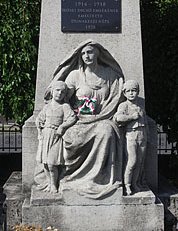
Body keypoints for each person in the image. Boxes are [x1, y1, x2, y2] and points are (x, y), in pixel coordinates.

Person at [44, 40, 125, 199]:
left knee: (107, 130)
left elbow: (119, 93)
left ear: (98, 53)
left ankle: (99, 179)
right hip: (78, 121)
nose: (87, 56)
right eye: (83, 53)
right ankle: (73, 177)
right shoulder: (75, 75)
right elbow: (62, 96)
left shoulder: (109, 74)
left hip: (103, 118)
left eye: (90, 52)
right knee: (72, 137)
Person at [35, 81, 76, 193]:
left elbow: (72, 118)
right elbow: (39, 119)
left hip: (56, 136)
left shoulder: (65, 106)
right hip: (46, 135)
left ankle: (54, 185)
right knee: (45, 163)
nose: (60, 93)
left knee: (52, 163)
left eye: (63, 92)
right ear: (52, 92)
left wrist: (62, 127)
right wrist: (39, 128)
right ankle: (49, 183)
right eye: (57, 90)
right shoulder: (47, 107)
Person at [113, 80, 148, 195]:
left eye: (134, 91)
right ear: (124, 93)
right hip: (131, 135)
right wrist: (132, 117)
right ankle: (127, 185)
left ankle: (135, 183)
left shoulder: (140, 105)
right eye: (128, 91)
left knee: (139, 162)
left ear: (138, 92)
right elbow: (118, 118)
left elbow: (146, 122)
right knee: (132, 161)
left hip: (142, 135)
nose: (131, 93)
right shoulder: (124, 105)